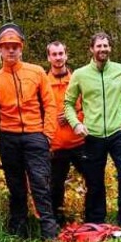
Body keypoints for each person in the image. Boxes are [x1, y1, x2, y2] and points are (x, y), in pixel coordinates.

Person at [63, 32, 121, 225]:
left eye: (106, 46)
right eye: (99, 46)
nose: (103, 49)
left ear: (110, 48)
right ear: (91, 49)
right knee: (94, 180)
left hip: (119, 132)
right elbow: (68, 104)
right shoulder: (80, 74)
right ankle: (96, 221)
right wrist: (76, 124)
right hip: (93, 135)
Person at [0, 23, 59, 241]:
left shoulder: (36, 72)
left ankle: (49, 233)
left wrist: (47, 135)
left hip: (34, 135)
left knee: (40, 183)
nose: (11, 50)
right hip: (8, 137)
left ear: (21, 48)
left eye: (15, 46)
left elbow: (50, 104)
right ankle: (19, 233)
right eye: (6, 46)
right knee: (16, 186)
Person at [46, 41, 86, 226]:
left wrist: (73, 117)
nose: (58, 57)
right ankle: (58, 223)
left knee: (93, 179)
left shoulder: (78, 80)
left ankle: (91, 217)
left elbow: (89, 107)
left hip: (79, 142)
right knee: (55, 187)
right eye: (54, 54)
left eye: (61, 53)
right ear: (49, 58)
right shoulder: (44, 82)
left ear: (66, 55)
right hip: (55, 145)